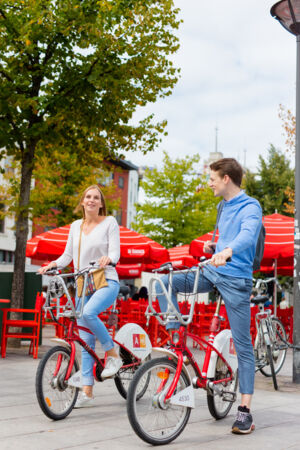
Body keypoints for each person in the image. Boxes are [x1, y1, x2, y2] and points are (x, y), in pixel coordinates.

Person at [156, 158, 262, 435]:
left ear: (226, 178)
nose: (210, 182)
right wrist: (215, 246)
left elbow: (248, 236)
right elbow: (227, 239)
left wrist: (227, 251)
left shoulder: (250, 206)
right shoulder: (221, 206)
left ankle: (245, 411)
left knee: (242, 345)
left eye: (213, 177)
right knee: (163, 283)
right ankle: (176, 338)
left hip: (236, 279)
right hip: (213, 271)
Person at [39, 184, 121, 408]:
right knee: (85, 341)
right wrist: (52, 265)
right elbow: (67, 255)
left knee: (88, 312)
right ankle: (87, 391)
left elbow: (115, 252)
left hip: (106, 280)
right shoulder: (76, 226)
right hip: (83, 283)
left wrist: (108, 259)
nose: (92, 200)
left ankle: (113, 354)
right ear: (83, 202)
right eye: (88, 197)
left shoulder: (109, 222)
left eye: (96, 197)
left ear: (101, 203)